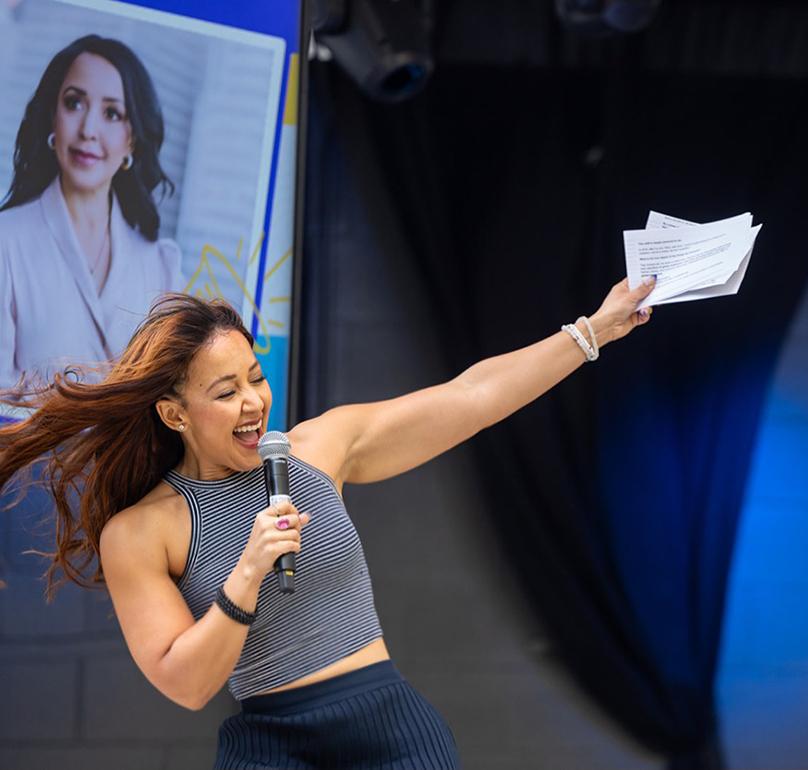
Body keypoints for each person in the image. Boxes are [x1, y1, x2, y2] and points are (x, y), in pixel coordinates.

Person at [0, 279, 655, 769]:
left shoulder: (318, 449)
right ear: (174, 415)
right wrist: (247, 575)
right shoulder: (142, 532)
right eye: (225, 393)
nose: (254, 401)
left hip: (391, 732)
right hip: (270, 745)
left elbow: (471, 397)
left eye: (255, 378)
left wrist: (593, 330)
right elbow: (189, 684)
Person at [0, 34, 181, 389]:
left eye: (112, 113)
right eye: (74, 104)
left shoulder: (161, 265)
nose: (88, 130)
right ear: (53, 117)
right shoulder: (6, 240)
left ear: (132, 139)